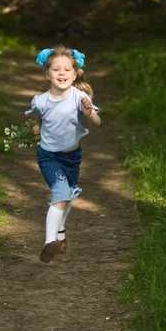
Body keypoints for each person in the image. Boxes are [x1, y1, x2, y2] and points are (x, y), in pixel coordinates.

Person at [25, 45, 101, 263]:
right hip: (49, 156)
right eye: (56, 69)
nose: (61, 73)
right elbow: (41, 116)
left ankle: (60, 233)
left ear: (74, 74)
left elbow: (97, 122)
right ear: (47, 74)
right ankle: (50, 242)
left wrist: (89, 114)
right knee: (60, 193)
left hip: (72, 156)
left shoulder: (80, 97)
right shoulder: (40, 100)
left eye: (66, 70)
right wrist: (38, 128)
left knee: (67, 198)